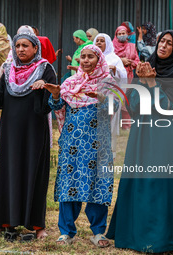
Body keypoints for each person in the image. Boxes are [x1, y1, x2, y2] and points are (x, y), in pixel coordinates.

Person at [106, 30, 173, 253]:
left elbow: (171, 108)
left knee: (157, 182)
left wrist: (152, 84)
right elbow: (134, 107)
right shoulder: (147, 66)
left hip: (164, 136)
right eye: (161, 42)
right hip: (142, 133)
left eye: (169, 43)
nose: (163, 46)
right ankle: (134, 234)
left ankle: (160, 237)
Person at [0, 32, 56, 241]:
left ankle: (37, 226)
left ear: (35, 48)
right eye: (18, 45)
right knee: (10, 171)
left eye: (26, 45)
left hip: (34, 131)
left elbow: (51, 102)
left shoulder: (45, 69)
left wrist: (43, 88)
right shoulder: (9, 68)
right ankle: (7, 221)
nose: (21, 49)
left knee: (33, 172)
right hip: (10, 130)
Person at [46, 45, 118, 247]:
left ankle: (98, 232)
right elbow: (57, 108)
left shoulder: (107, 83)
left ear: (99, 60)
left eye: (90, 57)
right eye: (82, 57)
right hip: (72, 144)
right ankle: (66, 232)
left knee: (98, 184)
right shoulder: (70, 82)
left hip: (98, 144)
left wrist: (102, 98)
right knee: (69, 184)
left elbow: (115, 108)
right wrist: (56, 96)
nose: (85, 61)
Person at [94, 33, 127, 159]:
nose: (99, 43)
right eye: (97, 41)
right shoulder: (91, 56)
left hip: (110, 96)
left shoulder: (114, 59)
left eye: (102, 41)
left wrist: (114, 70)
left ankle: (110, 152)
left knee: (110, 124)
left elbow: (123, 76)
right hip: (94, 96)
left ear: (107, 43)